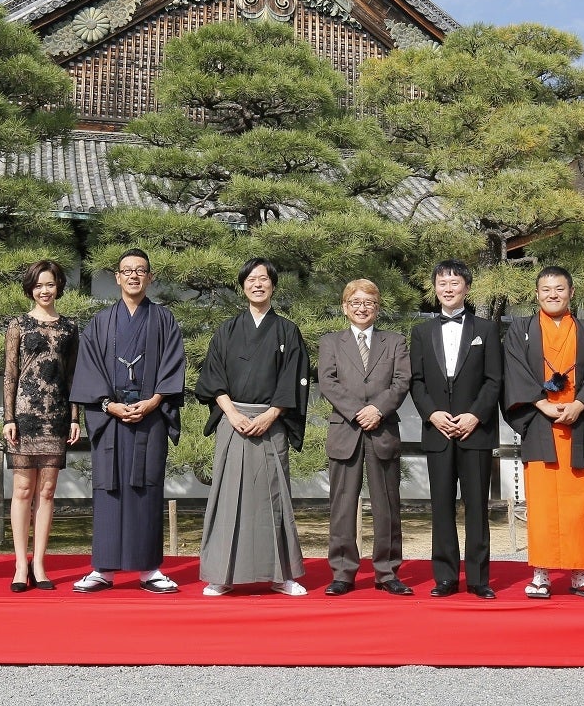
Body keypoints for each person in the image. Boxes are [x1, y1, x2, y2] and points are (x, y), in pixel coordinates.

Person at [68, 249, 185, 594]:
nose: (134, 276)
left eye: (141, 271)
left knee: (147, 489)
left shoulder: (164, 320)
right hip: (112, 420)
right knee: (109, 488)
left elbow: (173, 366)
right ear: (117, 278)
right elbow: (87, 370)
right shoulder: (101, 323)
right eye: (127, 270)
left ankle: (149, 569)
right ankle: (103, 569)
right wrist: (109, 405)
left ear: (150, 278)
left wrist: (153, 402)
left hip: (151, 419)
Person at [197, 258, 311, 596]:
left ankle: (280, 574)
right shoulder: (227, 330)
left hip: (270, 421)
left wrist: (271, 414)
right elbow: (212, 377)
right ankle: (222, 573)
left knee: (272, 498)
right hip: (233, 420)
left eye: (264, 279)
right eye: (251, 279)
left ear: (273, 285)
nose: (257, 284)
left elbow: (294, 378)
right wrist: (231, 414)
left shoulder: (287, 330)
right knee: (228, 496)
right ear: (242, 285)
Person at [503, 266, 584, 600]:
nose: (552, 295)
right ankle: (541, 573)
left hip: (578, 425)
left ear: (571, 292)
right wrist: (541, 405)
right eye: (545, 289)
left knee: (580, 502)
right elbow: (515, 371)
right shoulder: (520, 331)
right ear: (536, 294)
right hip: (540, 425)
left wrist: (580, 404)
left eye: (559, 289)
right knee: (541, 503)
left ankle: (580, 573)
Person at [408, 259, 503, 599]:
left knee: (477, 506)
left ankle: (479, 579)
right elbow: (416, 382)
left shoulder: (487, 329)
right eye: (442, 283)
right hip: (437, 431)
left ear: (467, 287)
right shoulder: (420, 332)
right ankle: (445, 576)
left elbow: (494, 380)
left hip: (474, 431)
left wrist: (475, 415)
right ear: (434, 289)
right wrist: (432, 414)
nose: (448, 288)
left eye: (455, 282)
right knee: (442, 506)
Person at [318, 279, 413, 596]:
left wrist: (378, 410)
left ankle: (387, 572)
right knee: (342, 506)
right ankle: (343, 572)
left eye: (368, 302)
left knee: (387, 506)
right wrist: (359, 411)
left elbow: (401, 381)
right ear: (345, 307)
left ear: (377, 307)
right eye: (355, 302)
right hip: (346, 430)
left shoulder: (395, 341)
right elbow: (328, 382)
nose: (362, 308)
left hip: (382, 430)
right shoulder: (331, 342)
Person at [2, 260, 81, 592]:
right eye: (38, 285)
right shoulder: (18, 325)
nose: (44, 291)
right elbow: (9, 373)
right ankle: (20, 564)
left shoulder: (70, 328)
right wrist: (8, 418)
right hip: (24, 415)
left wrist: (76, 417)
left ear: (58, 286)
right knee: (23, 491)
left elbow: (76, 376)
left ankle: (40, 563)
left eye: (50, 284)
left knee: (47, 492)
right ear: (30, 289)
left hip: (57, 416)